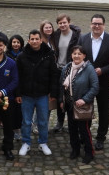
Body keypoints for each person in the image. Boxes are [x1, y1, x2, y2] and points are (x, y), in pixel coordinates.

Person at [78, 14, 109, 150]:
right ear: (90, 24)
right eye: (94, 23)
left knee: (103, 111)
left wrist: (103, 69)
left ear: (104, 25)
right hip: (87, 82)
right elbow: (78, 56)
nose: (96, 26)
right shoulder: (83, 38)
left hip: (104, 81)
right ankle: (86, 135)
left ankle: (101, 137)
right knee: (86, 109)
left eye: (99, 24)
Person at [16, 29, 58, 157]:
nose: (34, 41)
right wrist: (18, 93)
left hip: (43, 94)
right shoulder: (21, 56)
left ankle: (43, 142)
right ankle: (26, 142)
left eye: (36, 39)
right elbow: (17, 76)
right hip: (26, 94)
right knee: (26, 121)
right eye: (32, 39)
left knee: (43, 121)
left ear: (41, 40)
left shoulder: (49, 55)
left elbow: (54, 75)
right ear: (28, 41)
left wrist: (53, 92)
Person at [59, 46, 99, 164]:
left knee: (84, 130)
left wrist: (85, 99)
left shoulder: (89, 69)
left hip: (82, 106)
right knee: (72, 129)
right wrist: (61, 100)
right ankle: (75, 150)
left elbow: (95, 87)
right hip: (69, 104)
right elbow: (61, 85)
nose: (76, 56)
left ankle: (89, 152)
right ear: (71, 55)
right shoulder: (67, 68)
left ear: (84, 56)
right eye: (74, 53)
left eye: (79, 54)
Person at [51, 14, 81, 133]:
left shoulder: (76, 35)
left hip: (71, 69)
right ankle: (60, 121)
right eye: (60, 23)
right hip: (59, 69)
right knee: (60, 96)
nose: (62, 25)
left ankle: (72, 121)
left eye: (64, 22)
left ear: (69, 22)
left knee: (71, 96)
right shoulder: (56, 35)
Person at [6, 35, 24, 140]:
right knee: (9, 110)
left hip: (21, 86)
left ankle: (18, 130)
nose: (16, 44)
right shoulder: (6, 55)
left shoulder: (24, 54)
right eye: (14, 42)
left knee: (19, 111)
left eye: (18, 42)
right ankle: (10, 129)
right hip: (10, 86)